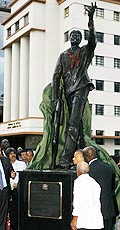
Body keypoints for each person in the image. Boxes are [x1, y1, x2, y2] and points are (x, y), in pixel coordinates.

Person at [51, 3, 97, 168]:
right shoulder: (63, 56)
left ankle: (65, 159)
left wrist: (90, 19)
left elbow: (93, 40)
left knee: (72, 124)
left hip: (80, 90)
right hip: (68, 94)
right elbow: (55, 77)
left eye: (78, 35)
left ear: (80, 38)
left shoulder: (85, 52)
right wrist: (55, 98)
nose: (75, 37)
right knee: (75, 124)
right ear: (69, 38)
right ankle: (81, 153)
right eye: (72, 35)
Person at [83, 146, 117, 230]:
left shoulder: (88, 171)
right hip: (109, 209)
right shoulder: (108, 168)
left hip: (95, 212)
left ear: (86, 157)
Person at [70, 162, 103, 230]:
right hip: (96, 221)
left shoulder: (78, 182)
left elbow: (77, 202)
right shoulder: (94, 182)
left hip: (84, 221)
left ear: (78, 171)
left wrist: (74, 219)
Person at [6, 147, 27, 230]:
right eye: (11, 154)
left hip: (20, 190)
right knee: (12, 210)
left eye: (14, 153)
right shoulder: (6, 164)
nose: (13, 155)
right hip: (10, 191)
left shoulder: (22, 164)